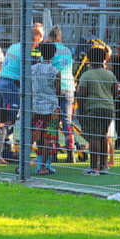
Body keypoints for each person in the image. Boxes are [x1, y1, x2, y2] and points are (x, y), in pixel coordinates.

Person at [0, 23, 45, 162]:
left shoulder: (15, 46)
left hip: (0, 82)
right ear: (37, 38)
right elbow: (32, 73)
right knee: (8, 120)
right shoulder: (27, 52)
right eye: (42, 36)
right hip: (10, 85)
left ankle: (4, 151)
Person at [76, 46, 119, 176]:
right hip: (108, 108)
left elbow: (81, 94)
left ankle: (93, 167)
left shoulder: (87, 74)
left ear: (88, 59)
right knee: (103, 136)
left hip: (93, 107)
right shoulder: (110, 74)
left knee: (93, 137)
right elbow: (115, 92)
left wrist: (81, 110)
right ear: (104, 58)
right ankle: (103, 165)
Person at [30, 41, 62, 175]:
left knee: (34, 136)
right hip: (51, 107)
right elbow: (58, 91)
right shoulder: (55, 71)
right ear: (54, 54)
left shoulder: (32, 69)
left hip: (35, 105)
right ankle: (44, 165)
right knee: (48, 138)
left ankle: (29, 165)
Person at [48, 27, 77, 162]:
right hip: (69, 86)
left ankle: (53, 151)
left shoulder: (49, 48)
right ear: (59, 37)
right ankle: (71, 151)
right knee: (67, 121)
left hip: (54, 87)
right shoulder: (67, 50)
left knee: (53, 120)